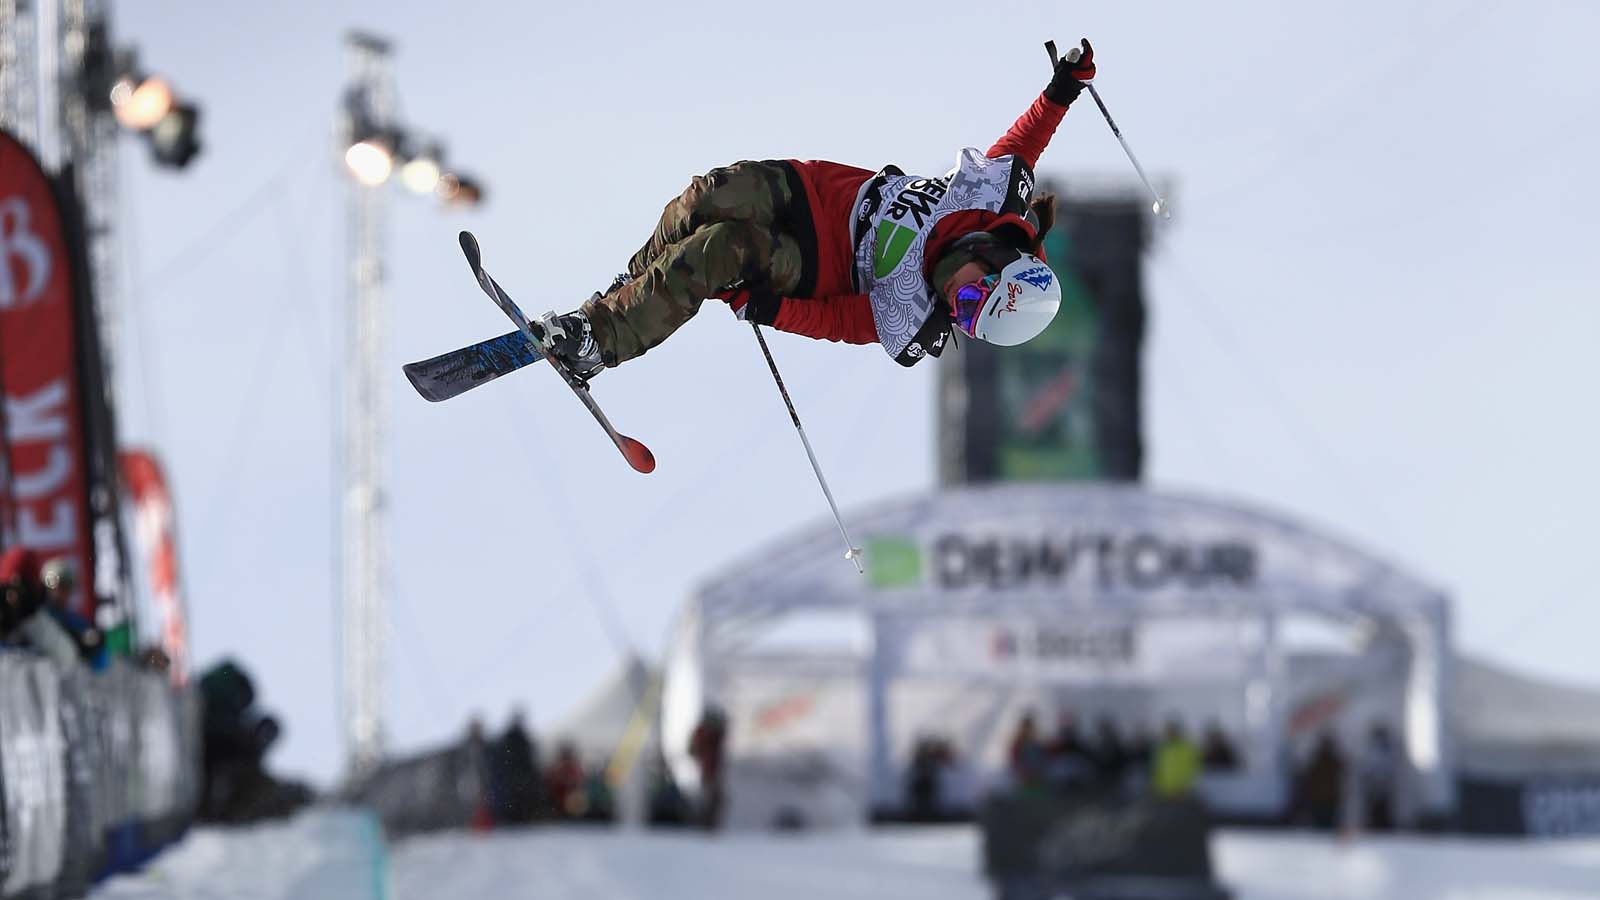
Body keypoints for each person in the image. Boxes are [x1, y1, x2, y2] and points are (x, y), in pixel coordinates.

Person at [534, 41, 1101, 380]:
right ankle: (626, 294)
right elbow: (1024, 143)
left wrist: (772, 309)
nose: (958, 304)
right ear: (996, 259)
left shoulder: (915, 317)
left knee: (722, 247)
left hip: (812, 265)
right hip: (819, 191)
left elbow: (842, 323)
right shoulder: (990, 201)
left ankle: (601, 340)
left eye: (968, 319)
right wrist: (1063, 90)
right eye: (975, 297)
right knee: (708, 195)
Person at [688, 705, 729, 830]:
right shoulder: (704, 733)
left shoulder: (710, 733)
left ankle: (708, 823)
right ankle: (706, 823)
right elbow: (692, 749)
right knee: (710, 796)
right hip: (706, 769)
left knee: (714, 797)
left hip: (712, 768)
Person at [1150, 718, 1202, 799]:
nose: (1171, 733)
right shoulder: (1162, 749)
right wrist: (1156, 786)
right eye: (1169, 731)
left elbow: (1196, 769)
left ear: (1179, 732)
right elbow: (1158, 769)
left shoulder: (1188, 748)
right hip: (1164, 792)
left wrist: (1187, 787)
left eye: (1173, 730)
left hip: (1183, 791)